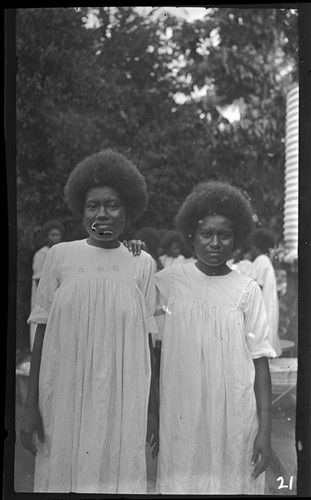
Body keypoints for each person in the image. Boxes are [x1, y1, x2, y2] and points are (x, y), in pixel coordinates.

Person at [20, 149, 159, 494]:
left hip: (121, 395)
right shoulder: (60, 256)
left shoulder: (142, 263)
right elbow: (42, 330)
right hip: (65, 392)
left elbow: (148, 345)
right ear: (81, 211)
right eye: (92, 206)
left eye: (112, 205)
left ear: (128, 209)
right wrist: (30, 406)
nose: (102, 214)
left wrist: (152, 410)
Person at [154, 181, 276, 495]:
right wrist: (153, 412)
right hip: (182, 410)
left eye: (224, 235)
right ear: (191, 235)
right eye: (206, 234)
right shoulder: (168, 283)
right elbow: (150, 349)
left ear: (236, 239)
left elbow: (259, 360)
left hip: (232, 412)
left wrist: (265, 429)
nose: (214, 243)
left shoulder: (247, 289)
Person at [30, 220, 64, 351]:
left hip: (57, 295)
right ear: (46, 237)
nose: (56, 237)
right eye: (52, 234)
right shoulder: (41, 254)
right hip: (44, 296)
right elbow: (40, 280)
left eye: (58, 235)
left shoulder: (60, 253)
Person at [248, 228, 283, 357]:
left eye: (252, 246)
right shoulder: (265, 261)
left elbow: (256, 287)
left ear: (257, 246)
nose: (250, 249)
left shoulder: (261, 261)